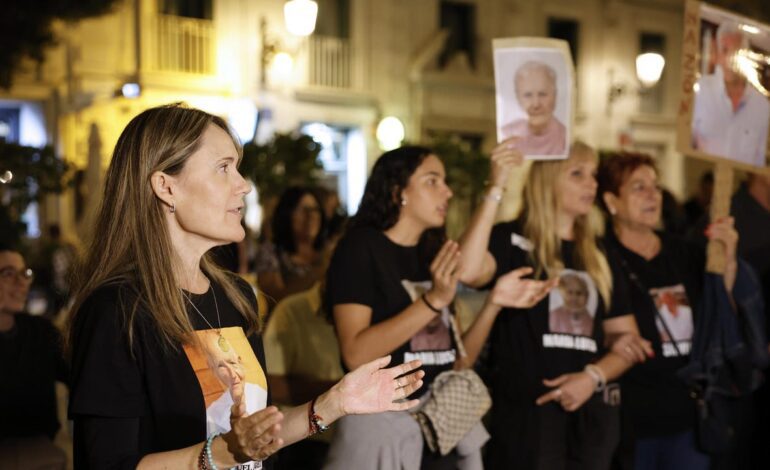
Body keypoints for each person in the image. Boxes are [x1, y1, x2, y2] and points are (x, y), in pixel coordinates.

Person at [66, 103, 425, 469]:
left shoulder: (236, 296)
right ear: (165, 186)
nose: (244, 185)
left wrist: (334, 403)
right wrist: (222, 453)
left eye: (237, 167)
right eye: (223, 168)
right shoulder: (117, 310)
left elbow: (256, 437)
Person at [324, 145, 555, 469]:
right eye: (432, 181)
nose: (447, 192)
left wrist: (493, 304)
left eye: (445, 182)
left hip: (441, 431)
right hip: (381, 433)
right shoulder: (361, 248)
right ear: (397, 191)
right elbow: (356, 354)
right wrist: (432, 301)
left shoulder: (432, 253)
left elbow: (458, 363)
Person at [458, 140, 653, 469]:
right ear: (547, 179)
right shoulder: (512, 239)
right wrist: (497, 187)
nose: (591, 183)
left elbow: (626, 341)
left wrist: (592, 376)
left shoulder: (600, 253)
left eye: (593, 174)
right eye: (577, 174)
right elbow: (465, 270)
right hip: (524, 417)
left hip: (588, 420)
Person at [597, 151, 739, 469]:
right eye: (638, 187)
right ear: (611, 201)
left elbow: (719, 310)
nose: (653, 195)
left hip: (687, 415)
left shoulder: (683, 252)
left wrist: (727, 258)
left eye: (656, 186)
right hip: (631, 420)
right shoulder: (599, 257)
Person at [0, 244, 69, 470]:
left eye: (25, 274)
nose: (21, 283)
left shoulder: (41, 332)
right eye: (9, 274)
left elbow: (76, 374)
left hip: (41, 449)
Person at [263, 281, 345, 470]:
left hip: (358, 437)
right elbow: (271, 387)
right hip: (304, 440)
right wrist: (340, 394)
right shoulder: (292, 310)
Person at [692, 22, 770, 167]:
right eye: (725, 50)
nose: (730, 60)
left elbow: (760, 160)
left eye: (736, 52)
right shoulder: (699, 91)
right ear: (718, 55)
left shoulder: (762, 106)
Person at [255, 186, 328, 305]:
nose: (311, 216)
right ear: (287, 214)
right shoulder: (270, 251)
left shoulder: (327, 249)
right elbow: (276, 298)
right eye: (304, 209)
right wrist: (320, 271)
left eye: (315, 209)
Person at [500, 60, 567, 156]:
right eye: (528, 95)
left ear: (555, 95)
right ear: (518, 97)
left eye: (542, 94)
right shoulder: (506, 134)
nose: (536, 104)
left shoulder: (565, 137)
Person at [549, 272, 594, 336]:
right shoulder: (555, 315)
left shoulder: (589, 319)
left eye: (579, 293)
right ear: (563, 294)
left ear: (587, 296)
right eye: (570, 293)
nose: (574, 298)